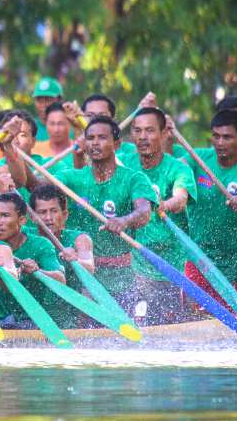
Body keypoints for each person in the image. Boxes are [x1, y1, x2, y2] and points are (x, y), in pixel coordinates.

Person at [50, 116, 154, 311]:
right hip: (81, 275)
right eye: (90, 138)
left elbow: (144, 211)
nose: (95, 143)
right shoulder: (72, 177)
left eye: (102, 138)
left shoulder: (133, 178)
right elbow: (36, 187)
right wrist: (12, 153)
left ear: (117, 144)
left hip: (122, 279)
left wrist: (124, 220)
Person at [180, 108, 237, 302]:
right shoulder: (198, 159)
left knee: (229, 328)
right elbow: (176, 169)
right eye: (216, 136)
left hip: (233, 264)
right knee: (193, 320)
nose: (220, 143)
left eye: (227, 137)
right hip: (197, 258)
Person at [124, 106, 195, 321]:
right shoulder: (125, 166)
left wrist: (163, 205)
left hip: (173, 269)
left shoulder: (178, 169)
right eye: (137, 131)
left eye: (150, 131)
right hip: (136, 267)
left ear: (164, 134)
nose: (142, 137)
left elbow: (181, 199)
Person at [0, 193, 65, 327]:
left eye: (5, 216)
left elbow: (61, 280)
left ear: (22, 220)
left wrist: (38, 271)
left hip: (33, 320)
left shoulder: (41, 245)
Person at [29, 185, 96, 327]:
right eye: (42, 212)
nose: (48, 218)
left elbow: (89, 268)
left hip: (67, 320)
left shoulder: (79, 239)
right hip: (30, 317)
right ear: (32, 217)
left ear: (65, 215)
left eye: (53, 211)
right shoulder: (23, 236)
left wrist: (75, 259)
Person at [31, 76, 63, 143]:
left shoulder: (70, 129)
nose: (43, 105)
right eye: (39, 100)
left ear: (60, 100)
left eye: (48, 99)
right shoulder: (29, 129)